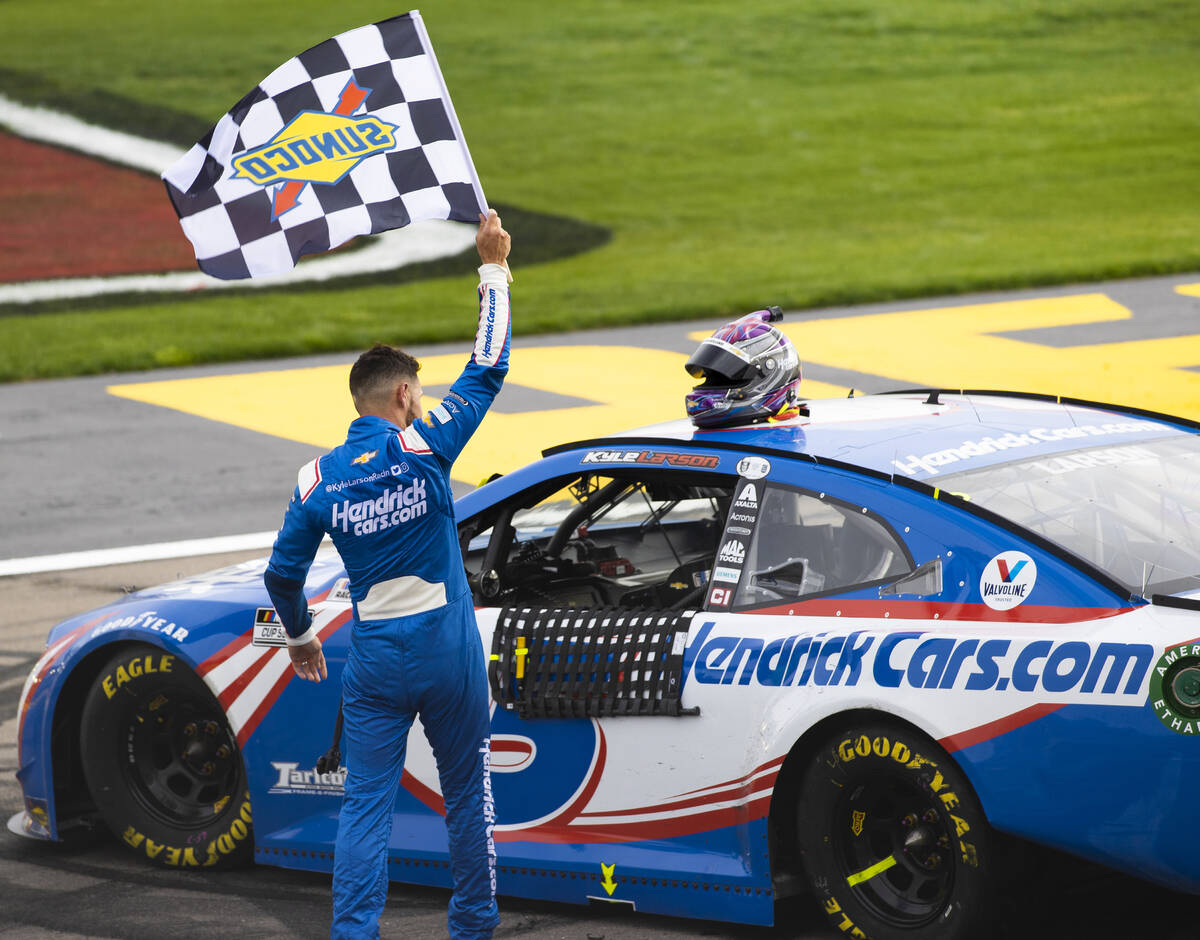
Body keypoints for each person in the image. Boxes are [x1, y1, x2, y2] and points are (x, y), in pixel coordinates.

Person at [263, 209, 512, 940]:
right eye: (418, 395)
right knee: (467, 796)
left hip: (373, 662)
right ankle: (472, 926)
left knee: (364, 806)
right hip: (446, 650)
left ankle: (354, 934)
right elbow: (489, 365)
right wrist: (492, 264)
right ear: (402, 397)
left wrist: (302, 638)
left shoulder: (317, 480)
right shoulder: (426, 447)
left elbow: (282, 577)